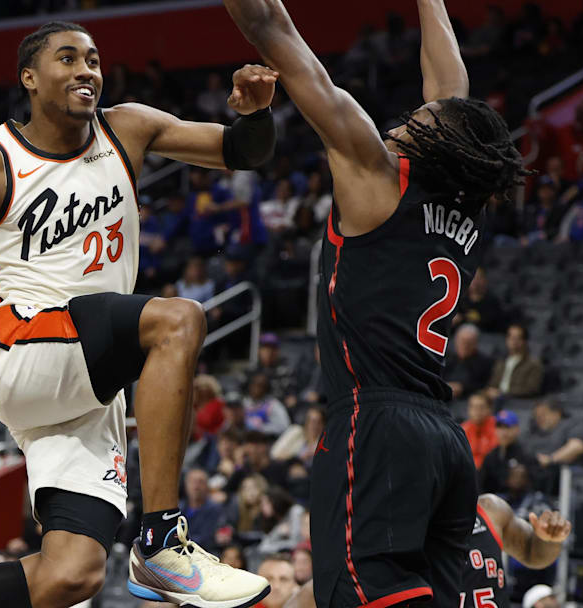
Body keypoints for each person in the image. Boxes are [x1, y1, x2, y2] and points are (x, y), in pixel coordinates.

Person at [0, 20, 274, 608]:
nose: (86, 70)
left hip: (85, 381)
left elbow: (242, 151)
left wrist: (258, 114)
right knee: (178, 321)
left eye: (93, 58)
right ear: (30, 79)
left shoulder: (129, 127)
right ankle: (162, 541)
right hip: (23, 346)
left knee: (74, 573)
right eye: (68, 58)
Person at [224, 0, 529, 605]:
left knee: (353, 592)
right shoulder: (461, 199)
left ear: (439, 141)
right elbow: (452, 86)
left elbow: (270, 26)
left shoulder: (375, 171)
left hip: (377, 420)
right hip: (443, 438)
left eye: (424, 116)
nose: (412, 113)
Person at [285, 493, 572, 608]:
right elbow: (319, 592)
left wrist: (548, 540)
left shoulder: (488, 510)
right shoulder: (384, 528)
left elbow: (534, 555)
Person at [488, 324, 545, 399]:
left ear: (524, 341)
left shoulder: (534, 364)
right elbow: (493, 384)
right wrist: (489, 391)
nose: (513, 341)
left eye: (517, 338)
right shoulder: (501, 362)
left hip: (517, 402)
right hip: (497, 399)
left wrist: (504, 393)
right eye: (510, 337)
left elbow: (532, 389)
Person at [444, 323, 495, 399]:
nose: (465, 345)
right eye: (462, 341)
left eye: (469, 342)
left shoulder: (484, 362)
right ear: (455, 341)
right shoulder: (447, 358)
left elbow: (483, 385)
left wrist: (462, 388)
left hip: (468, 399)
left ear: (476, 343)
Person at [462, 391, 498, 469]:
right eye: (473, 407)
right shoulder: (463, 429)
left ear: (490, 409)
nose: (476, 411)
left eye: (481, 407)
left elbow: (494, 458)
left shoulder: (497, 428)